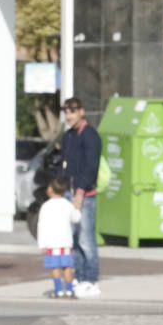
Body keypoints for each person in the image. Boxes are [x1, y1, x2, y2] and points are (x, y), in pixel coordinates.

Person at [59, 96, 101, 297]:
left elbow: (90, 167)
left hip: (84, 194)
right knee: (73, 239)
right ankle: (79, 277)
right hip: (69, 192)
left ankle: (91, 280)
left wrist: (80, 193)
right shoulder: (68, 136)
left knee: (86, 239)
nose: (69, 115)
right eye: (66, 111)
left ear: (81, 111)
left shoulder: (90, 136)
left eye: (72, 110)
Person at [37, 177, 80, 298]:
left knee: (54, 266)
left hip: (51, 242)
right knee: (67, 266)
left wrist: (42, 244)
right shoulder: (67, 204)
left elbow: (41, 226)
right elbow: (76, 218)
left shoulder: (46, 206)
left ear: (50, 189)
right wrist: (77, 207)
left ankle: (59, 290)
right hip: (66, 242)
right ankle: (70, 290)